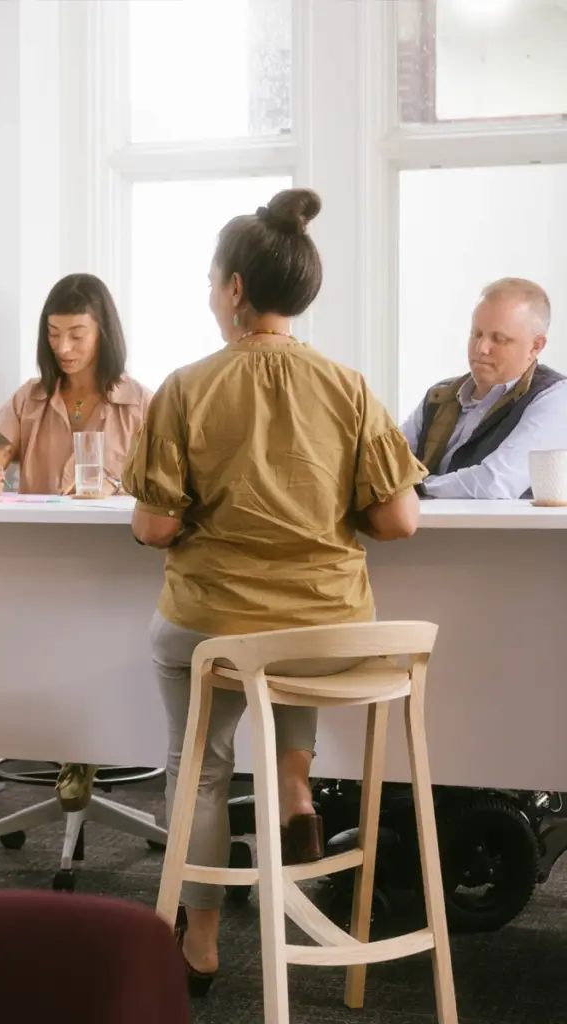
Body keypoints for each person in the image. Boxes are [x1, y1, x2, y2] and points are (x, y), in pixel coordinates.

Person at [122, 188, 425, 994]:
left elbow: (153, 528)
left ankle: (203, 943)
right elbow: (399, 522)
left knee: (204, 765)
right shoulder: (351, 387)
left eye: (210, 278)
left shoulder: (185, 388)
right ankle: (294, 782)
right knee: (289, 645)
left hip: (214, 626)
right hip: (328, 633)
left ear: (233, 290)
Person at [0, 272, 152, 810]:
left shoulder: (142, 403)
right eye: (53, 334)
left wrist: (114, 487)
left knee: (93, 652)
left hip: (114, 573)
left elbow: (167, 488)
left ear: (104, 333)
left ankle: (84, 746)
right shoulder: (29, 399)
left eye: (77, 334)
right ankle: (74, 745)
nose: (64, 348)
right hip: (40, 570)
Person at [401, 277, 567, 499]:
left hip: (504, 535)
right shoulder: (440, 395)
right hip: (424, 532)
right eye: (476, 334)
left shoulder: (554, 398)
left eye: (499, 339)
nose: (481, 348)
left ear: (535, 347)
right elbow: (387, 463)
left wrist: (417, 488)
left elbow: (495, 482)